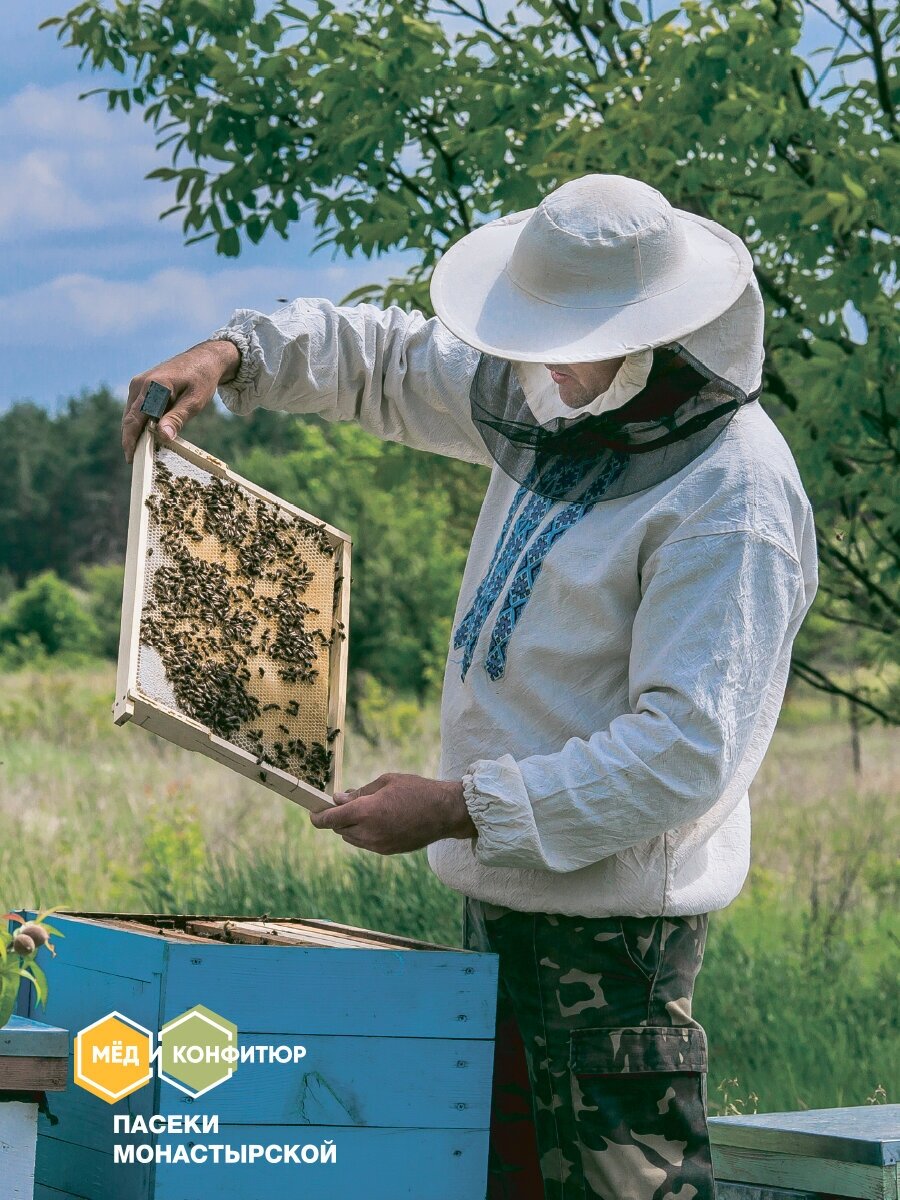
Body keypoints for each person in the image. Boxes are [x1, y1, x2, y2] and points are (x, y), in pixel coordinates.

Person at [122, 173, 818, 1199]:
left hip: (616, 949)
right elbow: (392, 361)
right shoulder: (555, 396)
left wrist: (455, 806)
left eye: (565, 337)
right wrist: (234, 355)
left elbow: (686, 753)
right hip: (499, 910)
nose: (538, 362)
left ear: (647, 332)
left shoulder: (734, 496)